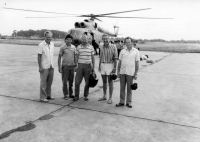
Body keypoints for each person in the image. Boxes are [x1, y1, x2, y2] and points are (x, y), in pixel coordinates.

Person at [116, 37, 140, 108]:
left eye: (129, 42)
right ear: (125, 43)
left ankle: (129, 102)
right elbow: (119, 62)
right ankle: (121, 101)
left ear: (132, 43)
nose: (128, 43)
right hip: (122, 72)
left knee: (129, 88)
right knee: (122, 88)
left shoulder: (136, 51)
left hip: (130, 72)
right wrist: (118, 72)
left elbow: (137, 63)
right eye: (127, 42)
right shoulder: (122, 51)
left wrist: (136, 73)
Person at [74, 34, 95, 101]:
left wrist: (93, 67)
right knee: (77, 82)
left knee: (87, 82)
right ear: (81, 40)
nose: (84, 41)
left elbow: (93, 58)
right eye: (83, 39)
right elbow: (76, 57)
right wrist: (76, 65)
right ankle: (76, 96)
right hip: (80, 65)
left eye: (85, 39)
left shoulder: (91, 47)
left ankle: (85, 95)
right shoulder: (78, 47)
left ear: (88, 40)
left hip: (88, 66)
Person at [98, 34, 118, 104]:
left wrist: (115, 68)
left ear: (109, 39)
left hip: (110, 65)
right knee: (104, 81)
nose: (105, 40)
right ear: (102, 39)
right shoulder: (101, 46)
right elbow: (101, 56)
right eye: (104, 39)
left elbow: (115, 58)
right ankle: (104, 96)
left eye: (106, 38)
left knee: (110, 82)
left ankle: (110, 98)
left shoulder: (113, 46)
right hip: (103, 64)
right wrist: (99, 65)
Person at [38, 31, 55, 102]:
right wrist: (40, 67)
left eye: (50, 37)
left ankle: (48, 95)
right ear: (45, 37)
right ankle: (42, 97)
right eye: (47, 37)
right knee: (43, 82)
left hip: (51, 66)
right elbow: (39, 57)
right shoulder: (41, 45)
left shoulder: (52, 44)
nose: (49, 38)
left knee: (50, 82)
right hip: (44, 66)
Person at [58, 34, 77, 100]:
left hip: (72, 67)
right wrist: (59, 66)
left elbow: (75, 56)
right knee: (65, 82)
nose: (69, 41)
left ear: (71, 40)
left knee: (71, 82)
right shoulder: (62, 47)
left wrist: (76, 65)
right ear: (65, 40)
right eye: (67, 39)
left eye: (70, 39)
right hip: (65, 67)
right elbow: (59, 57)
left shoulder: (74, 47)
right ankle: (65, 94)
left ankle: (70, 94)